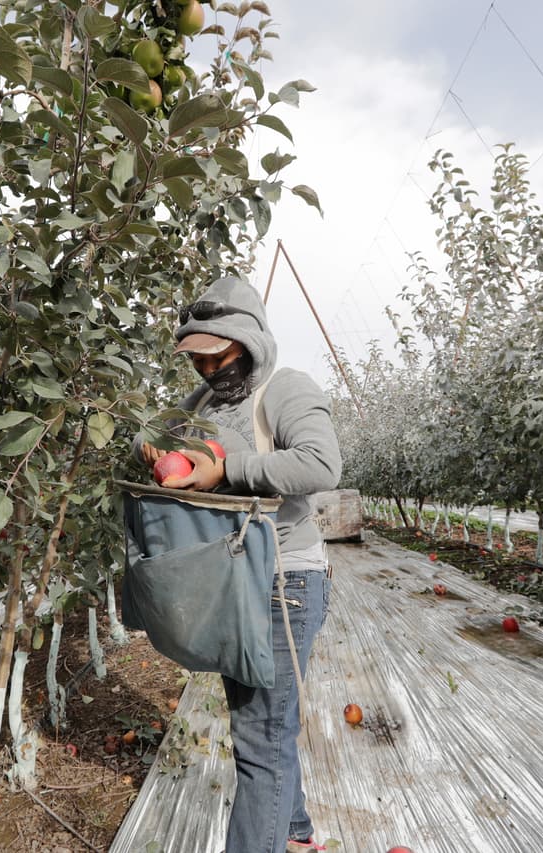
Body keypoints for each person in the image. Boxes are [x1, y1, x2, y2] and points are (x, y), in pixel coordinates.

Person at [136, 276, 342, 853]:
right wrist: (151, 449)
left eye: (216, 356)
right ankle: (296, 833)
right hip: (232, 581)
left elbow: (322, 466)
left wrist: (226, 469)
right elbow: (149, 437)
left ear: (247, 341)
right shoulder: (199, 405)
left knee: (260, 741)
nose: (206, 371)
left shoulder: (285, 389)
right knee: (265, 730)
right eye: (196, 360)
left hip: (284, 584)